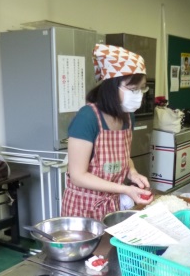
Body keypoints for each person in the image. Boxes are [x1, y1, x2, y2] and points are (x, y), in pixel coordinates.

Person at [61, 44, 153, 221]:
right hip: (83, 208)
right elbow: (78, 176)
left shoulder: (127, 117)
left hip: (111, 205)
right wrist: (126, 189)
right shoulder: (87, 117)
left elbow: (122, 157)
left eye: (141, 88)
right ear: (112, 86)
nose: (138, 94)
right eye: (133, 89)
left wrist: (132, 172)